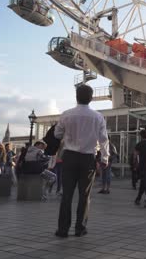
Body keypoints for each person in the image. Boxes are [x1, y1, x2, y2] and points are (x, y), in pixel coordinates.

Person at [54, 84, 109, 238]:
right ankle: (80, 228)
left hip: (69, 156)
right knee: (84, 195)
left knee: (67, 195)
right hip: (87, 158)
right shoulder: (98, 117)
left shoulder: (66, 114)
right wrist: (104, 158)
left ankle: (63, 229)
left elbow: (58, 134)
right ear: (91, 98)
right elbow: (104, 140)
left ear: (76, 97)